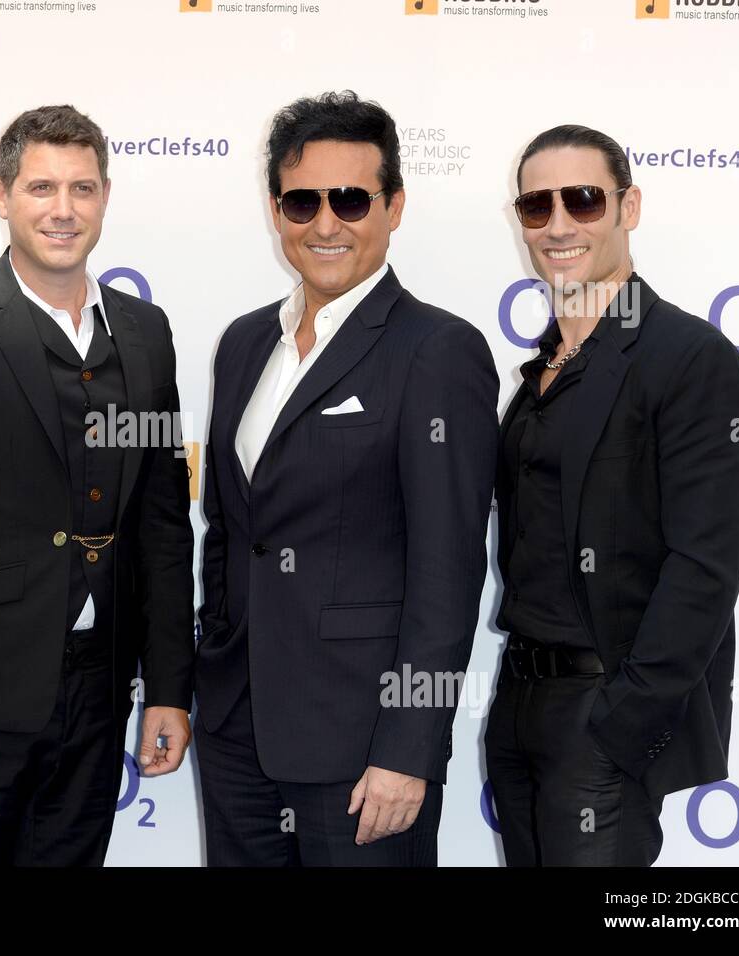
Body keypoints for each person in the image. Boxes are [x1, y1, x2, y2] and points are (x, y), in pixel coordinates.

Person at [0, 105, 195, 866]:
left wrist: (170, 687)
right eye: (41, 187)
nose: (63, 210)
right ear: (1, 195)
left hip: (99, 691)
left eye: (82, 189)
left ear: (106, 198)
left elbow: (161, 523)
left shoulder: (146, 334)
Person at [195, 91, 499, 866]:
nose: (325, 224)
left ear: (394, 206)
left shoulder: (437, 351)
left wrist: (409, 749)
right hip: (238, 732)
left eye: (352, 199)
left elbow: (448, 572)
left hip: (363, 749)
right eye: (303, 201)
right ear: (275, 211)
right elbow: (232, 533)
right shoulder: (241, 344)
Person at [486, 124, 739, 866]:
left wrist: (625, 721)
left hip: (601, 714)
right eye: (537, 207)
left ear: (628, 207)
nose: (559, 224)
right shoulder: (539, 370)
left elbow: (705, 566)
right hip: (519, 705)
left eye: (583, 199)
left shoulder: (687, 357)